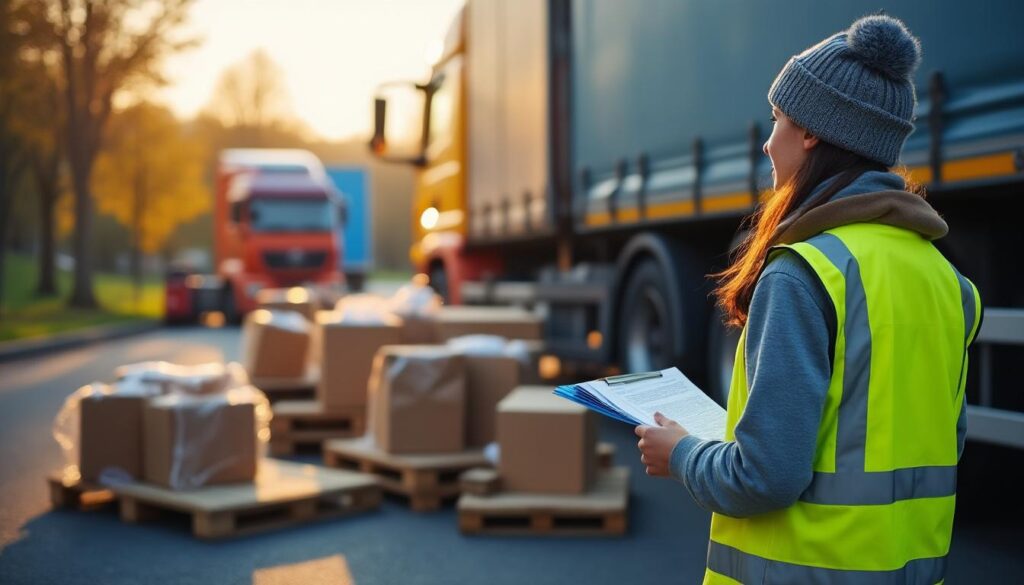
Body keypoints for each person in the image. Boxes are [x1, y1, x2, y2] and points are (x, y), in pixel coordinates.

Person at [634, 14, 981, 584]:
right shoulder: (948, 282)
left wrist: (681, 454)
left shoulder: (804, 273)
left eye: (777, 120)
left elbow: (763, 478)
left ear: (813, 132)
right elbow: (945, 446)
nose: (768, 143)